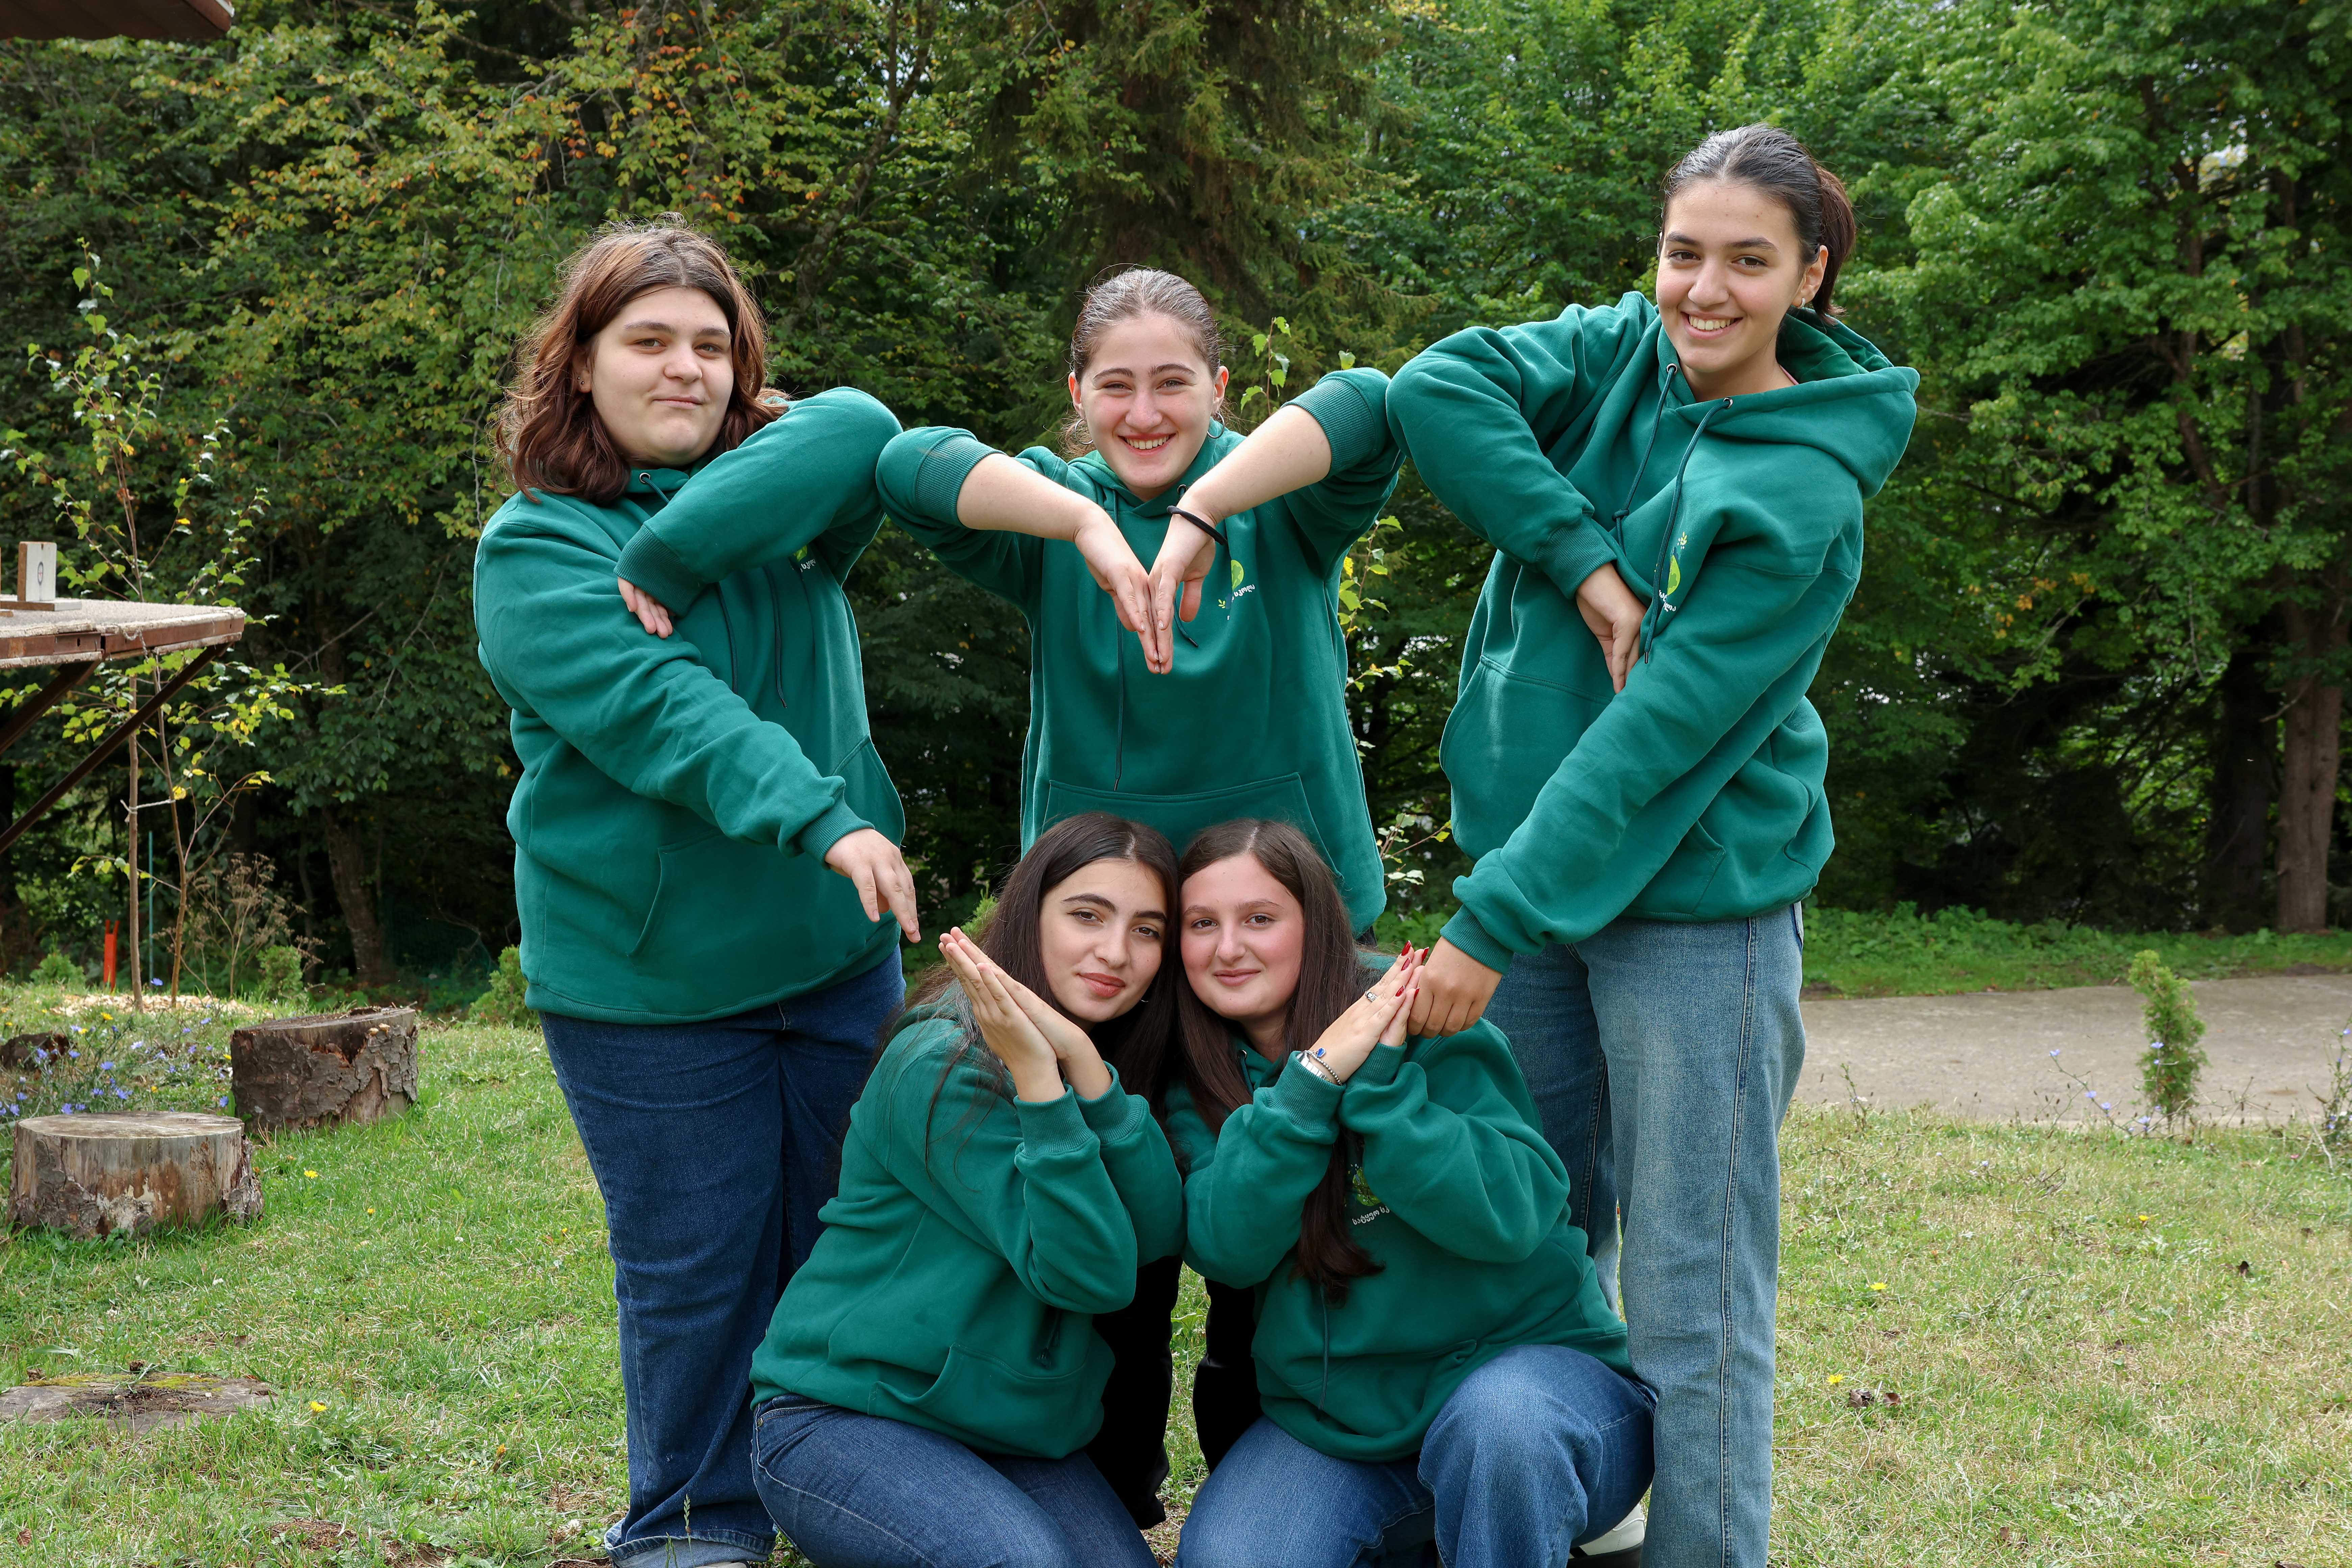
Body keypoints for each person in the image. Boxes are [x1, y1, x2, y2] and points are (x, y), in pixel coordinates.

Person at [1385, 124, 1921, 1566]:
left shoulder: (1803, 488)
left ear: (1811, 277)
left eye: (1749, 261)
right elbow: (1432, 388)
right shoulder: (1620, 351)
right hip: (1534, 887)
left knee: (1693, 1292)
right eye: (1686, 252)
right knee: (1530, 1243)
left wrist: (1488, 920)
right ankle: (1556, 1518)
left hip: (1695, 912)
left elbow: (1651, 744)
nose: (1704, 290)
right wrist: (1586, 562)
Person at [874, 265, 1404, 1516]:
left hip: (1274, 933)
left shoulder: (1280, 499)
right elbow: (903, 467)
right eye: (1115, 386)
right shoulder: (1052, 513)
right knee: (1119, 1205)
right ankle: (1111, 1484)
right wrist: (1082, 526)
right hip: (1106, 942)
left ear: (1221, 386)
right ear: (1077, 394)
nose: (1146, 411)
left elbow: (1376, 404)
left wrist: (1209, 508)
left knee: (1275, 1205)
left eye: (1175, 382)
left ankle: (1269, 1471)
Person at [473, 218, 922, 1568]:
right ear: (581, 363)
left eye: (711, 346)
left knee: (852, 1248)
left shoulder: (778, 515)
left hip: (834, 958)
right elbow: (666, 711)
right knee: (696, 1270)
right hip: (650, 984)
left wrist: (684, 538)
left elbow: (863, 425)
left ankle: (841, 1492)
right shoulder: (536, 549)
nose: (684, 368)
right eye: (649, 341)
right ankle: (693, 1523)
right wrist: (822, 815)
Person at [1163, 819, 1652, 1568]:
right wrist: (1312, 1084)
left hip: (1530, 1389)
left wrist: (1383, 1094)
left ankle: (1541, 1518)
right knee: (1234, 1558)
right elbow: (1229, 1250)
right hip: (1348, 1424)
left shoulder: (1424, 1014)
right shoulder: (1197, 1074)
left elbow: (1512, 1218)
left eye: (1259, 918)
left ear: (1316, 923)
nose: (1229, 947)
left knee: (1501, 1430)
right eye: (1203, 924)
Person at [746, 813, 1183, 1568]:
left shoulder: (1091, 1052)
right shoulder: (940, 1062)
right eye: (1087, 915)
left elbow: (1157, 1235)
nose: (1117, 952)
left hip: (1010, 1433)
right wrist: (1042, 1084)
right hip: (847, 1417)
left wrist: (1086, 1068)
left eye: (1146, 930)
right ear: (1029, 914)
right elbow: (1091, 1276)